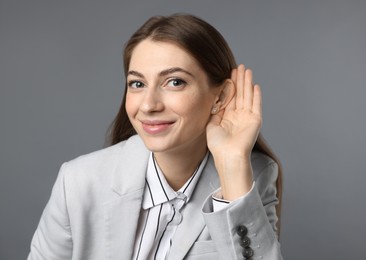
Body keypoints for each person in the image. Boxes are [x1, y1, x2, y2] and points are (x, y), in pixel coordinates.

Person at [28, 14, 283, 260]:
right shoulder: (78, 182)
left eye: (174, 82)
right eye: (137, 84)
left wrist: (232, 165)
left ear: (221, 96)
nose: (149, 105)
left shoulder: (253, 176)